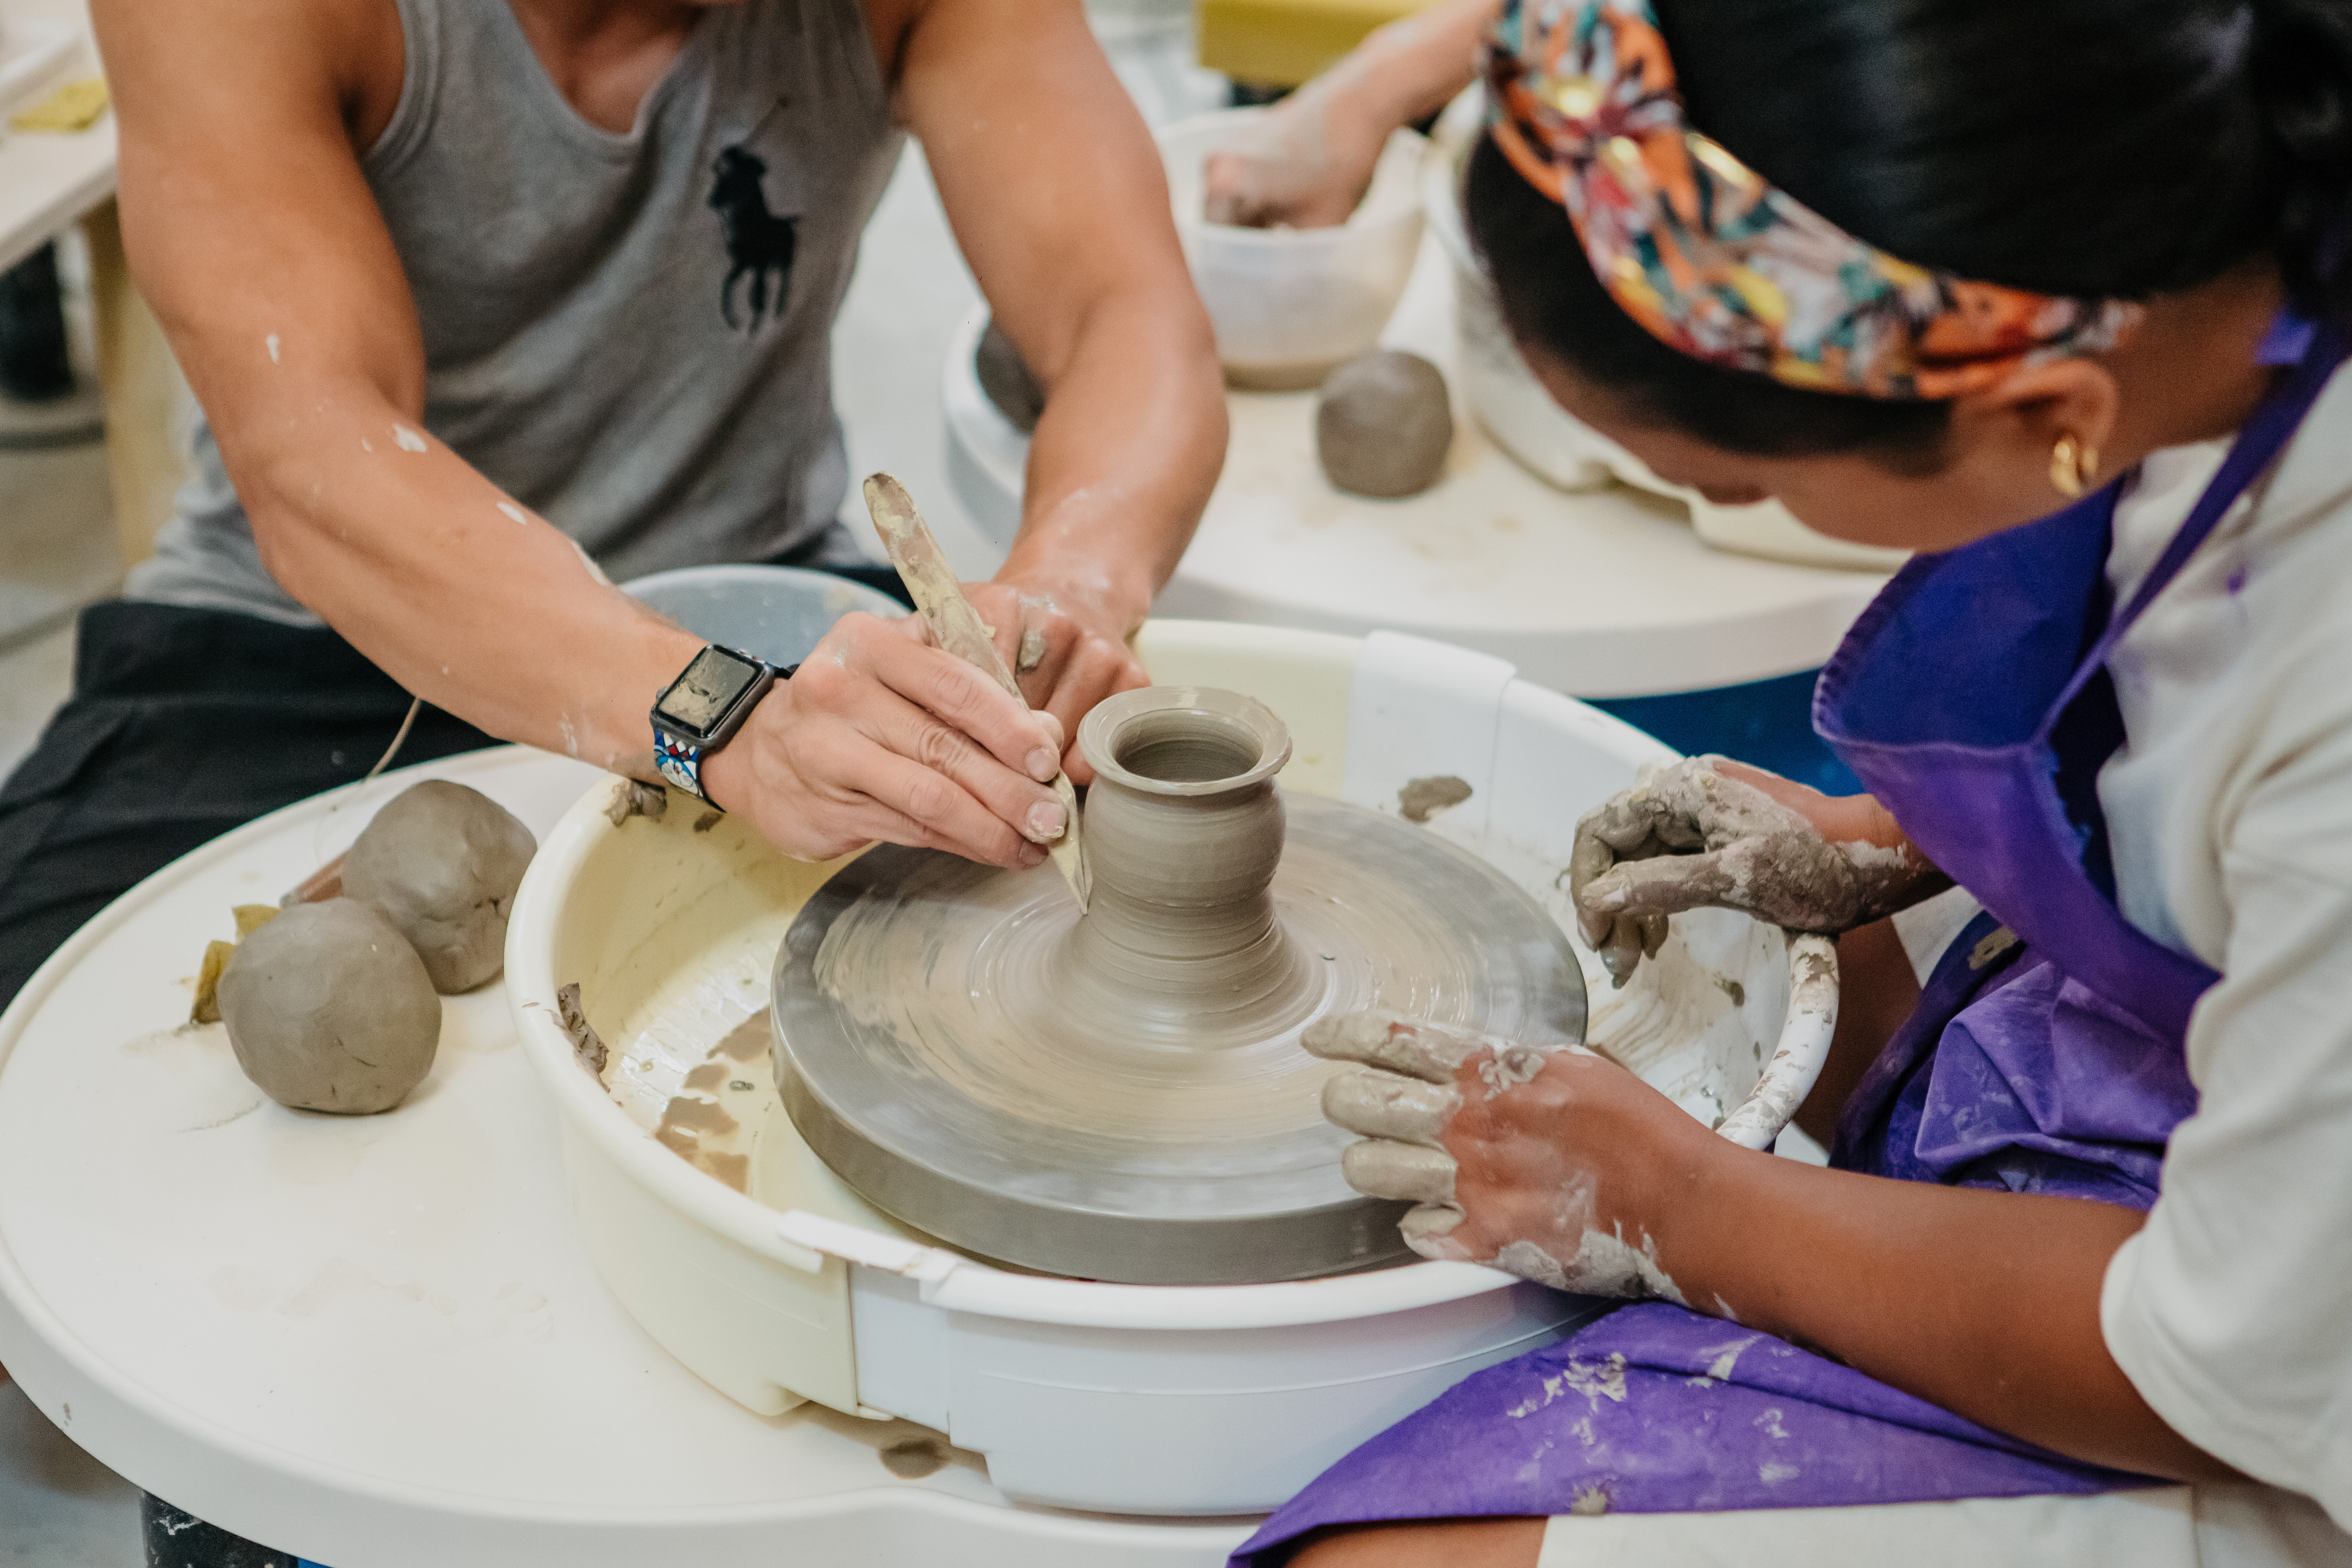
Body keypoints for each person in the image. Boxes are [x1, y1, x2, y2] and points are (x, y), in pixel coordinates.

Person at [1224, 0, 2352, 1563]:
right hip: (2245, 1105)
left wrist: (1674, 1204)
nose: (1730, 501)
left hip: (2277, 1373)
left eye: (1732, 483)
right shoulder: (2188, 192)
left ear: (2044, 423)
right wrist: (1894, 840)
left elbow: (2223, 1358)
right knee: (1816, 1023)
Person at [0, 0, 1225, 1013]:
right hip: (315, 642)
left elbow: (1125, 312)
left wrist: (1064, 599)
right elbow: (316, 458)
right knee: (56, 1035)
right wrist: (720, 721)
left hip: (771, 615)